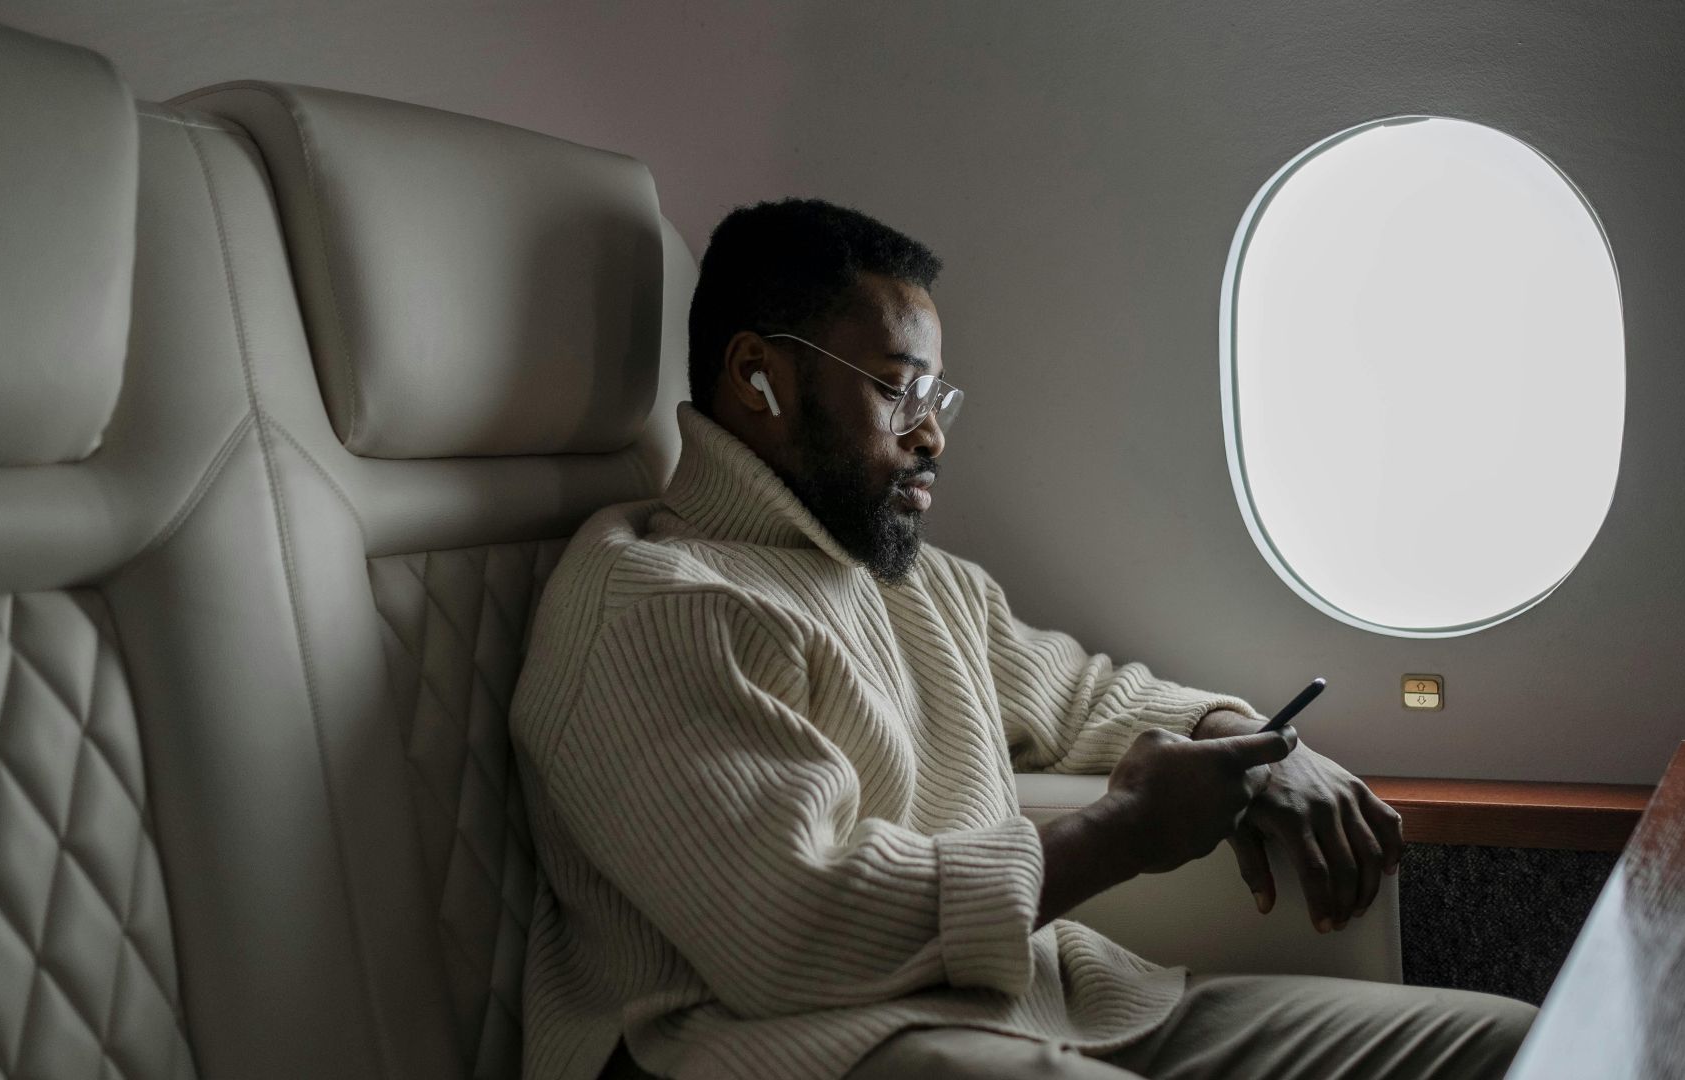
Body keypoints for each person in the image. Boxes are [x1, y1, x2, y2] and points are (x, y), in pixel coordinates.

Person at [509, 198, 1535, 1080]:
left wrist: (1258, 746)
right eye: (898, 391)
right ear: (756, 376)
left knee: (1516, 1049)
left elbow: (1085, 699)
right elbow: (794, 936)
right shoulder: (655, 605)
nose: (933, 435)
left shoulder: (913, 580)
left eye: (937, 397)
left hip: (1029, 1011)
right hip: (787, 1050)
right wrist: (1121, 833)